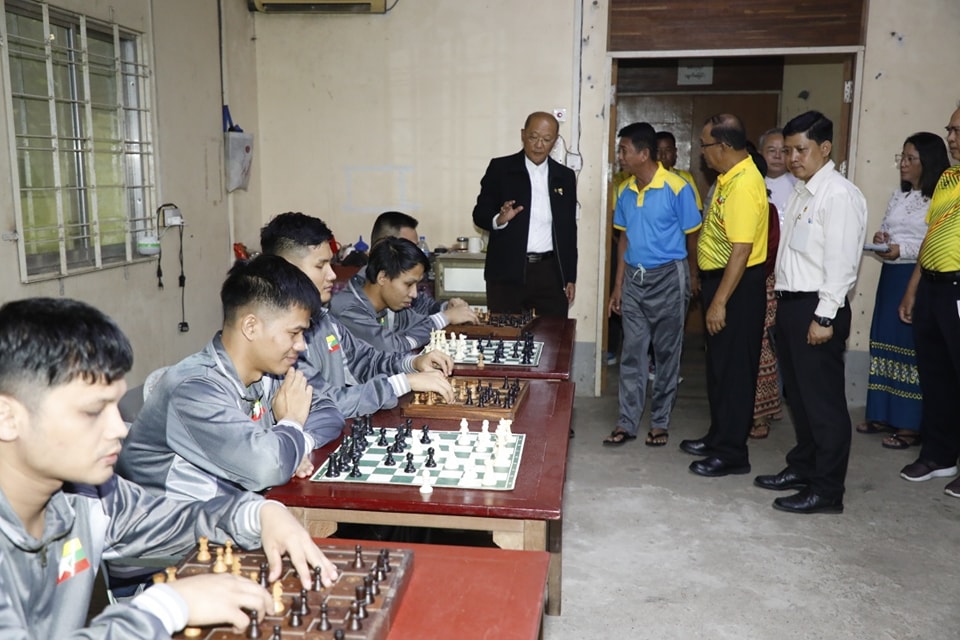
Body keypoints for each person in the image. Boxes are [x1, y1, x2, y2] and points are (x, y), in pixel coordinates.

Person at [0, 297, 338, 638]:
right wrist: (166, 605)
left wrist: (258, 514)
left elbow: (177, 521)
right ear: (7, 417)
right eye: (92, 411)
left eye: (115, 406)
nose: (118, 429)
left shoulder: (90, 497)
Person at [118, 255, 346, 501]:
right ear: (250, 327)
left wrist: (294, 445)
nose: (301, 345)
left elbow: (329, 412)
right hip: (175, 521)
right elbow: (266, 467)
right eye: (294, 333)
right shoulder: (193, 391)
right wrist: (290, 427)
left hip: (235, 513)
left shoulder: (272, 373)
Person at [754, 110, 867, 514]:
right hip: (793, 305)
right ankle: (804, 467)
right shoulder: (803, 191)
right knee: (800, 399)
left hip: (817, 307)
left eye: (800, 150)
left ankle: (827, 490)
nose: (792, 158)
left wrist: (824, 317)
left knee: (824, 405)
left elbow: (841, 264)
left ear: (825, 148)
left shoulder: (838, 195)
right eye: (788, 150)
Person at [260, 211, 455, 418]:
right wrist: (404, 382)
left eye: (330, 264)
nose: (332, 275)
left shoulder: (323, 319)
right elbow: (324, 402)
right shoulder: (278, 337)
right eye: (320, 265)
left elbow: (365, 361)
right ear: (287, 268)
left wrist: (413, 364)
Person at [680, 113, 768, 478]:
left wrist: (719, 303)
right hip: (723, 282)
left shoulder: (745, 183)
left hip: (738, 287)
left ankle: (733, 454)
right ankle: (719, 436)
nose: (702, 152)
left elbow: (741, 250)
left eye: (705, 145)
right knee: (719, 369)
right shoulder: (728, 178)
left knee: (735, 373)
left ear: (724, 146)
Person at [602, 122, 701, 447]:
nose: (620, 156)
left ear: (644, 154)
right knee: (632, 352)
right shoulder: (625, 190)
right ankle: (626, 422)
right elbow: (624, 239)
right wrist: (618, 286)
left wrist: (692, 275)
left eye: (624, 150)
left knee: (667, 353)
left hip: (669, 278)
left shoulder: (677, 187)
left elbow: (692, 235)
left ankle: (659, 422)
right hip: (634, 278)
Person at [859, 133, 949, 449]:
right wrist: (882, 238)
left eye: (911, 159)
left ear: (928, 162)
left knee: (908, 346)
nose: (903, 164)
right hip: (890, 275)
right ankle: (882, 413)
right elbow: (888, 227)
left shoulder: (938, 197)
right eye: (902, 157)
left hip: (916, 277)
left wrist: (902, 249)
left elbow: (932, 240)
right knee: (884, 339)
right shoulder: (900, 195)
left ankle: (910, 424)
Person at [897, 105, 960, 498]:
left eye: (958, 131)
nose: (951, 138)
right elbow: (932, 237)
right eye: (950, 130)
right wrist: (912, 288)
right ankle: (939, 455)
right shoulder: (949, 179)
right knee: (936, 377)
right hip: (934, 288)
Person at [471, 111, 578, 318]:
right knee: (506, 332)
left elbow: (569, 231)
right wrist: (499, 219)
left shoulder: (564, 176)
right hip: (507, 272)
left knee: (553, 332)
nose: (539, 145)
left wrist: (570, 276)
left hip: (550, 272)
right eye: (533, 137)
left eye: (546, 139)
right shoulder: (501, 169)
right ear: (523, 135)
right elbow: (480, 214)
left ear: (555, 141)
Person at [330, 236, 473, 351]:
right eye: (408, 284)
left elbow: (420, 321)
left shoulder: (390, 306)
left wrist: (446, 309)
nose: (414, 293)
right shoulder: (347, 311)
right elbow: (391, 347)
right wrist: (445, 317)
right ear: (382, 277)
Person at [368, 210, 476, 320]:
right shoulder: (361, 298)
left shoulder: (402, 285)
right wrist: (445, 318)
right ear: (387, 246)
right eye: (408, 246)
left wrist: (446, 308)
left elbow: (422, 305)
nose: (415, 252)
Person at [745, 142, 782, 440]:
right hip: (734, 286)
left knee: (762, 352)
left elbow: (768, 253)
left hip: (761, 285)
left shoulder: (768, 210)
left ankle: (760, 415)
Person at [656, 130, 704, 211]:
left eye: (667, 150)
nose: (663, 156)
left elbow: (697, 209)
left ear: (675, 152)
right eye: (658, 150)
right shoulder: (645, 178)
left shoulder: (684, 177)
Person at [760, 127, 798, 216]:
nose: (777, 156)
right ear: (760, 153)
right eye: (772, 151)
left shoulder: (799, 184)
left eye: (783, 151)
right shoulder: (752, 182)